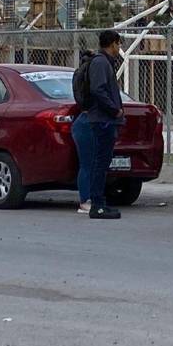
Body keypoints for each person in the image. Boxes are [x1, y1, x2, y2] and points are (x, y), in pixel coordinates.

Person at [72, 30, 125, 219]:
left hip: (103, 119)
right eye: (119, 44)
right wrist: (114, 110)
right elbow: (98, 90)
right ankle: (96, 204)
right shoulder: (101, 63)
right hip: (102, 120)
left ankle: (99, 202)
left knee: (101, 163)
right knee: (98, 163)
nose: (120, 48)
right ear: (112, 44)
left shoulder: (103, 62)